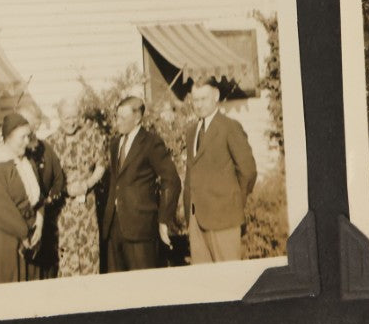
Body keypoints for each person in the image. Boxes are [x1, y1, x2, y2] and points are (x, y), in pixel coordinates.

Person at [102, 96, 181, 271]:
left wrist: (164, 220)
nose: (117, 122)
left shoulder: (151, 142)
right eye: (117, 117)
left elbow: (171, 180)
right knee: (118, 288)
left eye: (122, 118)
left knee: (143, 287)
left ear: (137, 118)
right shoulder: (115, 144)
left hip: (140, 227)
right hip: (114, 227)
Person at [183, 78, 258, 263]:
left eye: (203, 99)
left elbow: (248, 171)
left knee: (229, 279)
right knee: (205, 283)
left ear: (215, 97)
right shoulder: (191, 131)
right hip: (195, 219)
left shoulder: (229, 127)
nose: (198, 104)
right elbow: (191, 174)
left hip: (225, 218)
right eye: (195, 99)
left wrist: (233, 202)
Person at [0, 112, 42, 284]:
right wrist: (24, 234)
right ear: (8, 137)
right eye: (22, 137)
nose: (26, 141)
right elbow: (2, 210)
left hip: (30, 238)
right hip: (6, 241)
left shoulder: (27, 162)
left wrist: (40, 222)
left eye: (28, 137)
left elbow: (38, 198)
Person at [53, 95, 108, 277]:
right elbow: (48, 177)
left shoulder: (92, 136)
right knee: (66, 253)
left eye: (74, 117)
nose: (71, 122)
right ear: (60, 117)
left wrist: (88, 183)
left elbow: (101, 164)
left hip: (86, 205)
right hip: (64, 207)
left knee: (88, 252)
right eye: (67, 117)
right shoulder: (51, 142)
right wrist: (64, 189)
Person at [24, 115, 66, 280]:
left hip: (47, 215)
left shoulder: (45, 148)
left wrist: (50, 199)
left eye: (34, 126)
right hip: (25, 217)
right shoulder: (17, 152)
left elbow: (59, 178)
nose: (31, 130)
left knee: (47, 266)